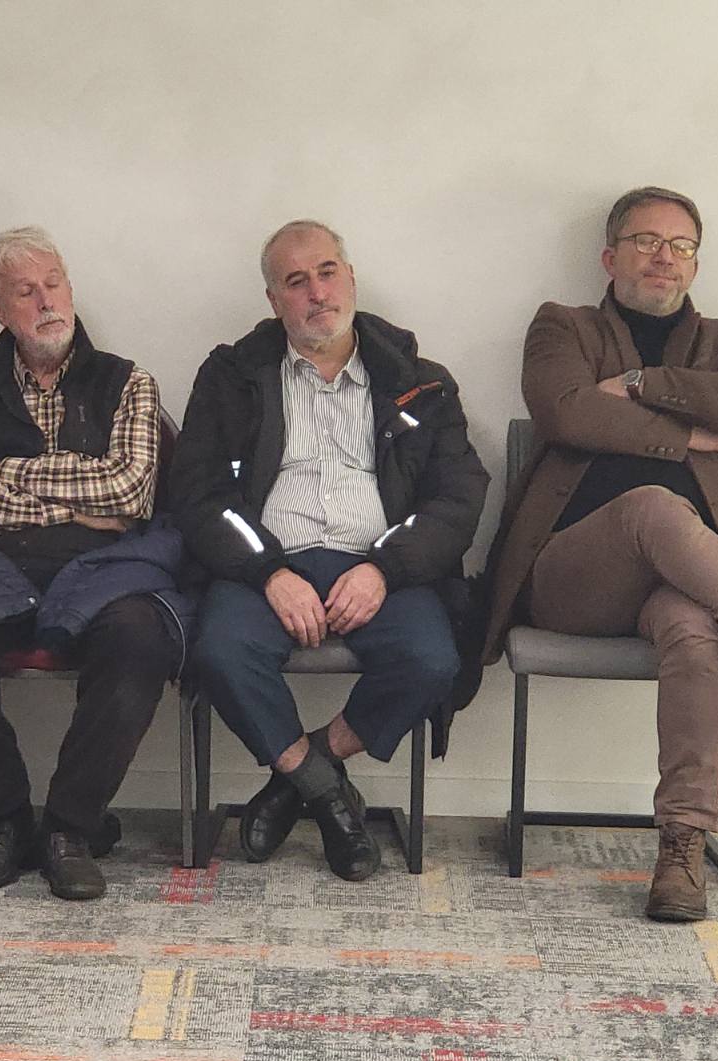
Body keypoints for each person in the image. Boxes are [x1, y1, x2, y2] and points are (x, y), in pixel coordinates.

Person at [482, 186, 718, 921]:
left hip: (684, 587)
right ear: (610, 256)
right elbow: (564, 410)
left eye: (680, 246)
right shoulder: (563, 326)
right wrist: (682, 433)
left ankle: (681, 847)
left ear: (695, 265)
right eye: (645, 241)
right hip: (570, 578)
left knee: (698, 629)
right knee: (652, 505)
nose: (663, 257)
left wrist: (642, 385)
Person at [171, 220, 488, 881]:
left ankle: (301, 773)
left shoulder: (421, 382)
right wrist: (268, 572)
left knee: (432, 660)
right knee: (220, 651)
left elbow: (457, 497)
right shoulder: (231, 377)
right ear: (273, 300)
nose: (316, 292)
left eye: (326, 272)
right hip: (265, 565)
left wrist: (384, 569)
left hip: (379, 566)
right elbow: (198, 494)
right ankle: (327, 795)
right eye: (296, 281)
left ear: (350, 279)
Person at [0, 226, 186, 901]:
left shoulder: (131, 384)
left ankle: (69, 829)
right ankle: (3, 821)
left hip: (109, 565)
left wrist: (11, 476)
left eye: (53, 284)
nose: (46, 301)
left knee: (141, 639)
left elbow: (131, 491)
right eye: (26, 292)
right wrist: (73, 502)